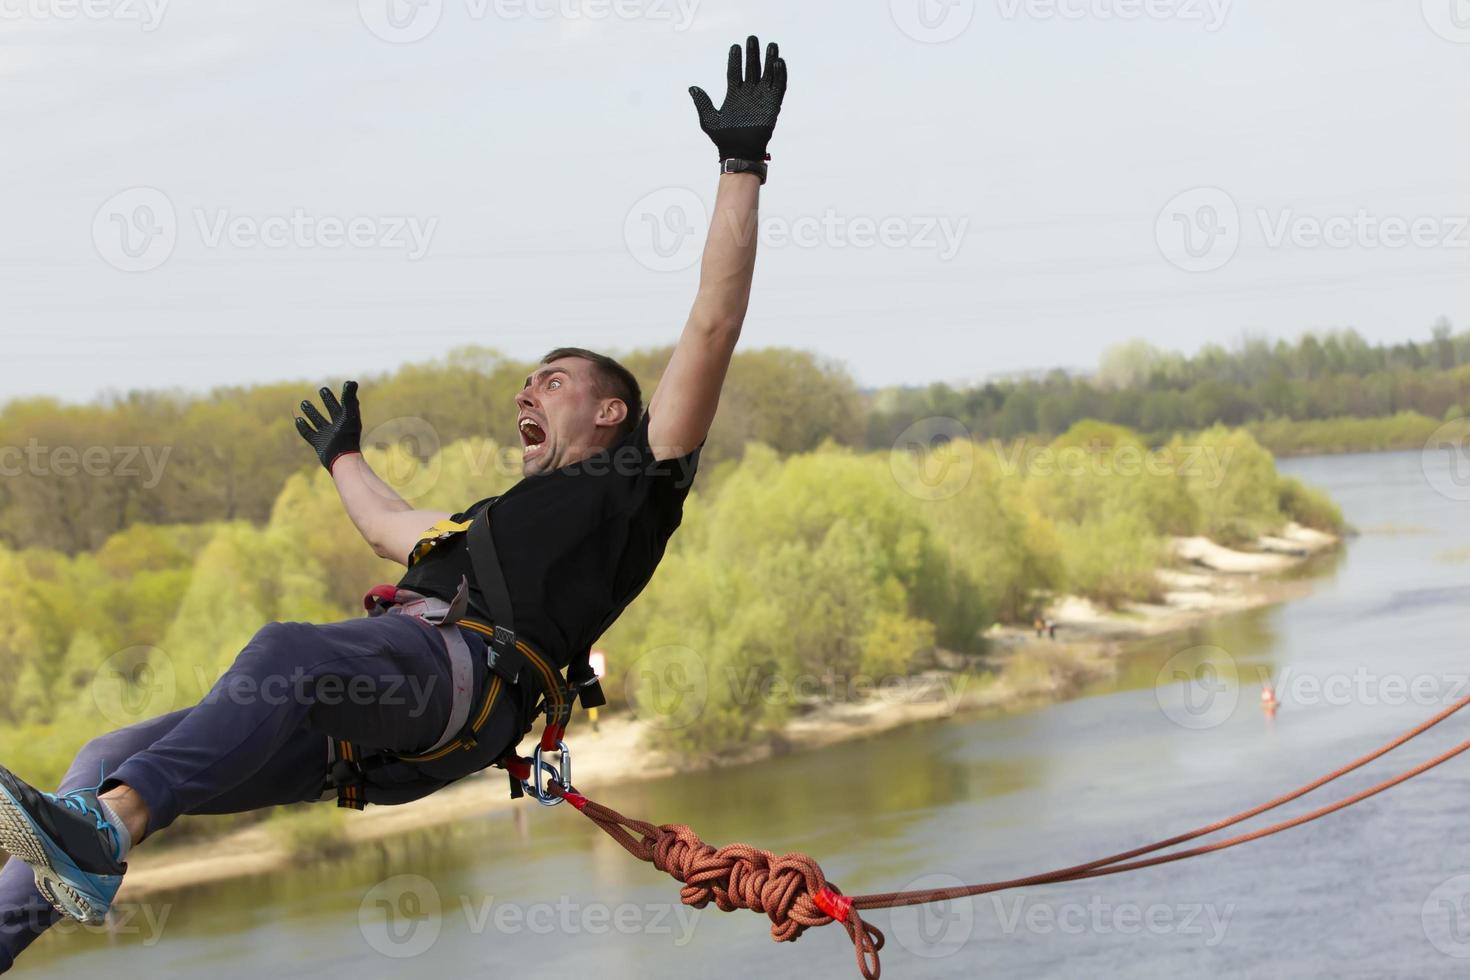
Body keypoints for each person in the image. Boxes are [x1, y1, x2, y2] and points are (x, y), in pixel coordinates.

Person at [0, 35, 787, 972]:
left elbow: (714, 319)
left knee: (284, 653)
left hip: (456, 682)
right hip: (369, 716)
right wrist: (343, 459)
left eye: (553, 380)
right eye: (527, 383)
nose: (526, 393)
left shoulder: (637, 483)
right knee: (108, 747)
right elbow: (387, 527)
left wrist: (740, 164)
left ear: (612, 411)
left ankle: (106, 831)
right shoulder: (477, 528)